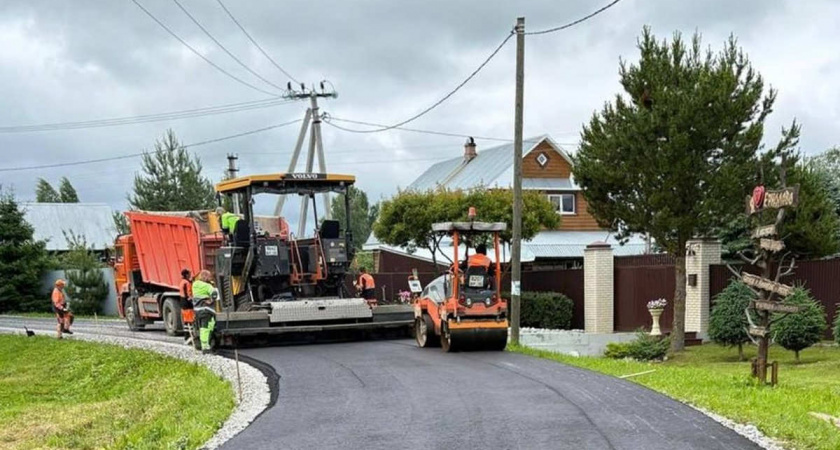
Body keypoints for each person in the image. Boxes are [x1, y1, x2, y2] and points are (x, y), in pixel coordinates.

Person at [191, 270, 217, 353]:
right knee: (206, 328)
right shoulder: (207, 286)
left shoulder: (194, 285)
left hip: (197, 310)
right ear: (205, 277)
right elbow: (214, 294)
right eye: (209, 277)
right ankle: (205, 347)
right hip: (207, 310)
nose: (210, 278)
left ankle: (202, 344)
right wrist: (211, 300)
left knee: (202, 327)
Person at [178, 269, 195, 342]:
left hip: (182, 303)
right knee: (190, 321)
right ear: (187, 275)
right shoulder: (186, 283)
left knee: (186, 321)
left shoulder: (182, 282)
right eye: (189, 273)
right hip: (187, 304)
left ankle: (187, 336)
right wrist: (192, 302)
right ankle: (189, 336)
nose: (190, 275)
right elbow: (188, 294)